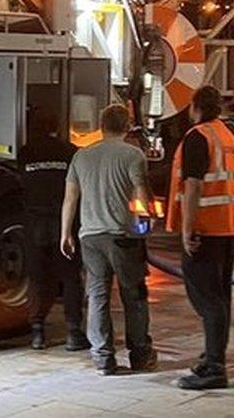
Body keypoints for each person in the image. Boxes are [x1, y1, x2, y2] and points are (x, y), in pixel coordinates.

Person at [60, 104, 158, 375]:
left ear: (101, 126)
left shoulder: (81, 157)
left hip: (90, 237)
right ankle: (140, 354)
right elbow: (140, 194)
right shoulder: (133, 155)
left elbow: (70, 198)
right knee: (134, 296)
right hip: (122, 236)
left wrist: (65, 233)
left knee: (98, 296)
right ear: (127, 126)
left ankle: (103, 358)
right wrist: (147, 219)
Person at [166, 86, 234, 390]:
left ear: (195, 107)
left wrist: (187, 229)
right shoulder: (225, 135)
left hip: (204, 230)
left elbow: (194, 185)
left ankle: (214, 367)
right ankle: (213, 356)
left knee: (207, 300)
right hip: (227, 227)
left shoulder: (198, 137)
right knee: (219, 298)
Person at [19, 109, 89, 352]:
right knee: (70, 277)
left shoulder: (25, 152)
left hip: (33, 221)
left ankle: (38, 333)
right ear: (57, 126)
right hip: (63, 222)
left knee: (37, 278)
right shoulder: (69, 152)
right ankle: (73, 332)